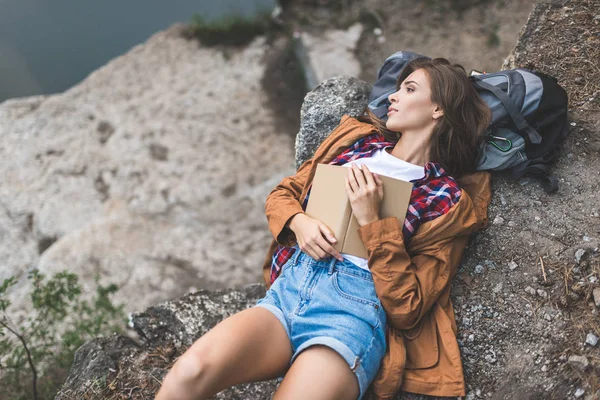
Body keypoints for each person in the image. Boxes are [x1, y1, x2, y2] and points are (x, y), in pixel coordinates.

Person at [155, 57, 492, 400]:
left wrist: (373, 222)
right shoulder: (359, 144)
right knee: (189, 372)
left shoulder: (446, 199)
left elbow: (408, 307)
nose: (393, 96)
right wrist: (300, 224)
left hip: (350, 315)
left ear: (438, 109)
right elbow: (284, 194)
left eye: (409, 89)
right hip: (291, 290)